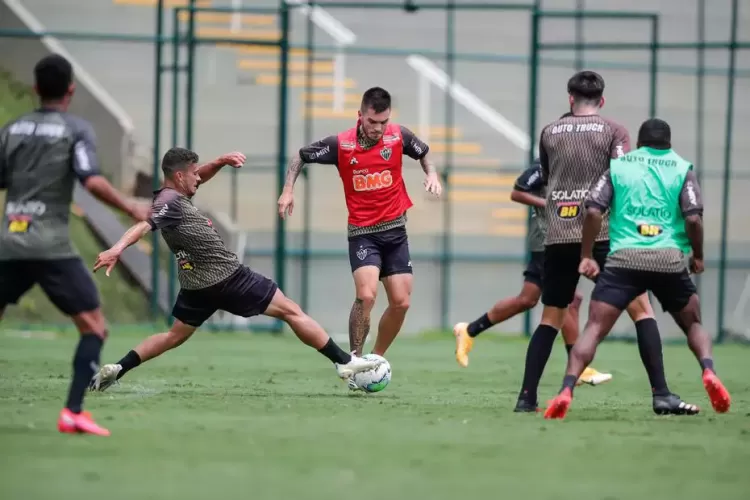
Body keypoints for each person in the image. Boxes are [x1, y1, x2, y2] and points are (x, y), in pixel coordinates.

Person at [89, 147, 382, 394]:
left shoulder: (175, 193)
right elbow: (145, 224)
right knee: (291, 310)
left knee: (174, 335)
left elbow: (197, 177)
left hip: (196, 284)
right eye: (194, 174)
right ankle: (345, 361)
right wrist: (117, 248)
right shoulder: (168, 203)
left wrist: (218, 163)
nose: (198, 178)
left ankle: (118, 368)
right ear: (179, 176)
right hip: (227, 277)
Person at [514, 71, 690, 414]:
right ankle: (661, 393)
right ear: (602, 100)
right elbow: (622, 176)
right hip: (604, 234)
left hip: (559, 234)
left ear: (570, 97)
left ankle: (526, 398)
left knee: (551, 317)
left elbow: (547, 180)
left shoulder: (549, 132)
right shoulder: (614, 131)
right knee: (641, 309)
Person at [0, 54, 151, 436]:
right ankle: (73, 412)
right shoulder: (75, 129)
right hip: (50, 246)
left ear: (35, 89)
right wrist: (130, 205)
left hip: (10, 242)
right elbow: (90, 179)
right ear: (71, 89)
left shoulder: (13, 128)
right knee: (94, 328)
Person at [545, 118, 731, 419]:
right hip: (668, 258)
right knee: (693, 323)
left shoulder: (619, 167)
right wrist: (697, 255)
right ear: (668, 143)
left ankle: (566, 389)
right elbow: (694, 218)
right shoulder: (682, 168)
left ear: (641, 143)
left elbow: (593, 209)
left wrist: (588, 254)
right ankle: (708, 371)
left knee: (593, 328)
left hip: (623, 260)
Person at [277, 86, 442, 379]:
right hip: (363, 233)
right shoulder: (341, 145)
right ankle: (353, 362)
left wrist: (431, 174)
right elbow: (300, 157)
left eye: (383, 122)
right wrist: (288, 191)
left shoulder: (399, 136)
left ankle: (374, 361)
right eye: (372, 122)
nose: (378, 128)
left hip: (396, 232)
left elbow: (424, 153)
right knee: (366, 296)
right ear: (360, 116)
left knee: (402, 302)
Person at [453, 154, 612, 386]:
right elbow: (516, 193)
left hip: (564, 238)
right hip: (546, 239)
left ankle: (469, 330)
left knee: (528, 299)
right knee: (567, 301)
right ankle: (580, 368)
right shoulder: (544, 165)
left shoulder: (579, 165)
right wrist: (549, 205)